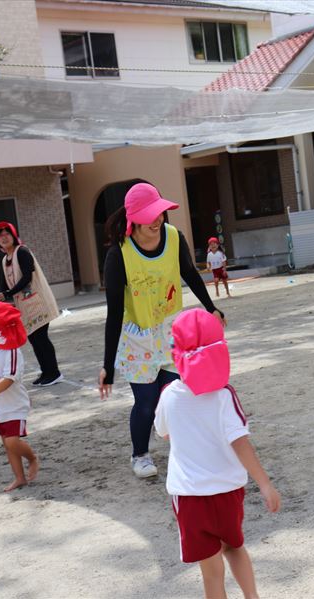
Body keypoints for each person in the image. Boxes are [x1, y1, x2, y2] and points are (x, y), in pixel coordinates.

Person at [98, 182, 226, 479]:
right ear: (133, 218)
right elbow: (114, 312)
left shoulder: (174, 238)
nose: (157, 220)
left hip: (171, 333)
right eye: (149, 215)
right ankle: (140, 455)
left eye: (159, 212)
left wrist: (211, 307)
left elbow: (189, 273)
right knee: (146, 403)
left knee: (176, 396)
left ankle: (187, 451)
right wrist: (108, 365)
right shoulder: (119, 254)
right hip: (138, 337)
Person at [155, 308, 280, 599]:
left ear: (176, 353)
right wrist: (265, 484)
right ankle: (252, 597)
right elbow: (240, 442)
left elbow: (164, 433)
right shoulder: (224, 395)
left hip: (189, 495)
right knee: (234, 547)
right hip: (228, 490)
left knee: (211, 573)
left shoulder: (168, 395)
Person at [0, 301, 39, 492]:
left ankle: (32, 458)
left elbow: (9, 379)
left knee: (12, 441)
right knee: (7, 444)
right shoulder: (0, 350)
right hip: (0, 407)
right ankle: (19, 477)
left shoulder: (12, 351)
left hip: (14, 406)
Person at [0, 221, 62, 387]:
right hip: (24, 307)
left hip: (38, 302)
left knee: (41, 338)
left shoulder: (22, 251)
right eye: (0, 236)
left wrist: (8, 293)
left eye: (7, 234)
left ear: (13, 236)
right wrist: (1, 298)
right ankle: (45, 372)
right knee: (33, 339)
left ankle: (54, 373)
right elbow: (4, 284)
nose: (4, 238)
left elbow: (27, 277)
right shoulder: (4, 260)